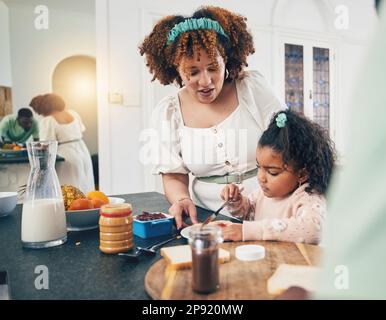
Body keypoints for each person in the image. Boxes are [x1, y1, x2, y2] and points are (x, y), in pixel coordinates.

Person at [140, 6, 286, 229]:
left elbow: (289, 142)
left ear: (226, 59)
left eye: (213, 67)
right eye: (193, 71)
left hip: (270, 208)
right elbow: (173, 174)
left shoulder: (251, 89)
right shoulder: (169, 112)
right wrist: (181, 199)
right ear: (176, 70)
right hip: (208, 218)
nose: (206, 81)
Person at [217, 110, 335, 243]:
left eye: (272, 172)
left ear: (302, 174)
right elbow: (249, 213)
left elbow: (313, 230)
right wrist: (236, 202)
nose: (261, 177)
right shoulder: (262, 194)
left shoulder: (309, 198)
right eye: (259, 167)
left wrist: (247, 231)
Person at [30, 93, 95, 193]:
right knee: (85, 182)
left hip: (66, 153)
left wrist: (35, 147)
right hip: (82, 149)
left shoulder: (48, 121)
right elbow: (81, 129)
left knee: (69, 186)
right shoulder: (73, 113)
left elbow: (45, 144)